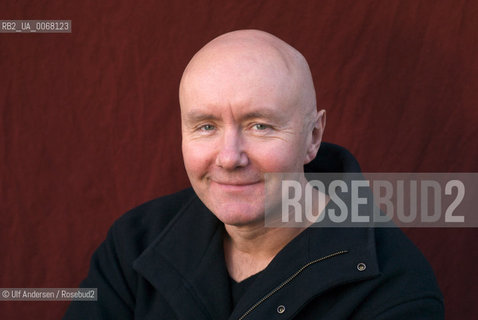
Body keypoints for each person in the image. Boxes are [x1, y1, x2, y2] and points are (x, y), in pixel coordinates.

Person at [63, 30, 444, 319]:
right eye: (206, 126)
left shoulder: (395, 288)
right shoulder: (132, 245)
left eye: (260, 126)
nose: (229, 158)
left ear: (313, 137)